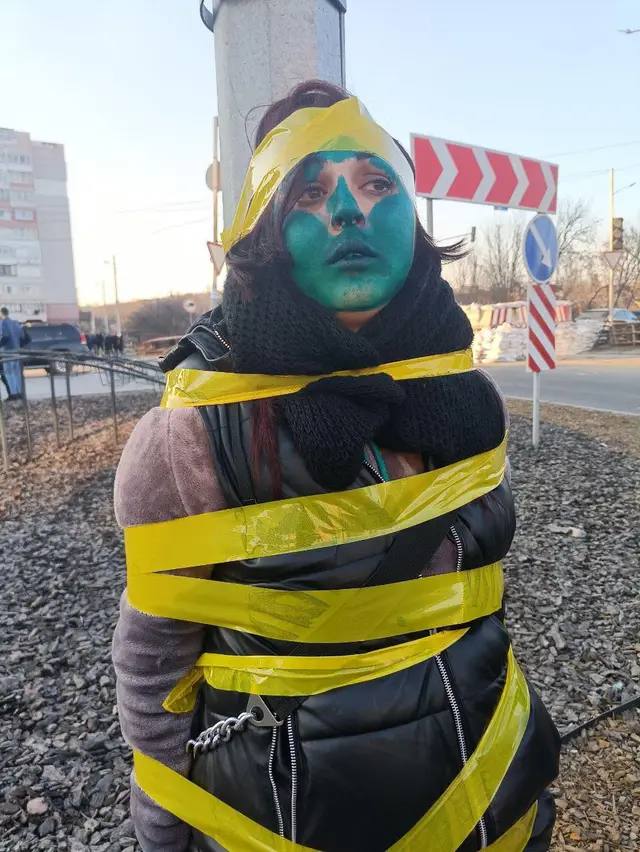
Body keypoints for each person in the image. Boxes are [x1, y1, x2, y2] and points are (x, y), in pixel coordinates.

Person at [112, 81, 560, 852]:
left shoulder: (469, 400)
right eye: (310, 192)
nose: (349, 210)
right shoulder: (188, 438)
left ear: (413, 222)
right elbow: (153, 664)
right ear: (264, 233)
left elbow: (479, 606)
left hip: (491, 795)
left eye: (376, 183)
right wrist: (166, 825)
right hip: (282, 820)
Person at [0, 306, 25, 400]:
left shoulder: (3, 323)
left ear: (1, 313)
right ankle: (20, 393)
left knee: (9, 373)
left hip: (7, 351)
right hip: (17, 351)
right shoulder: (15, 323)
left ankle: (14, 394)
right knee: (17, 373)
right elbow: (23, 337)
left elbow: (5, 336)